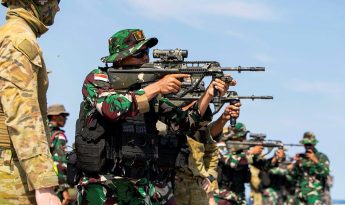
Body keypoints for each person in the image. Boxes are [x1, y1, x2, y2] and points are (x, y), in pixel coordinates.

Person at [75, 28, 232, 205]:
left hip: (140, 186)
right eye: (140, 53)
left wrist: (209, 94)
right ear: (120, 57)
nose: (146, 58)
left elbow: (184, 124)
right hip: (102, 184)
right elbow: (111, 108)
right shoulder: (98, 78)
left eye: (147, 53)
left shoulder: (149, 90)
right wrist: (157, 87)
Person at [0, 0, 61, 204]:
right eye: (56, 1)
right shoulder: (19, 39)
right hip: (12, 170)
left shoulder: (10, 34)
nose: (57, 8)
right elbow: (22, 111)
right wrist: (43, 183)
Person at [174, 100, 241, 205]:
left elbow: (211, 152)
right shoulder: (166, 118)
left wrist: (209, 177)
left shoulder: (199, 126)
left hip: (197, 186)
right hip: (170, 184)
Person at [288, 131, 330, 205]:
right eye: (306, 144)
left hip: (314, 196)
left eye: (310, 144)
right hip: (300, 195)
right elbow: (293, 176)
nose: (308, 146)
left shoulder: (322, 157)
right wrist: (294, 163)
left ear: (314, 144)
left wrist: (315, 160)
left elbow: (325, 173)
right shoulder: (301, 157)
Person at [214, 122, 251, 205]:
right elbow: (232, 163)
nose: (244, 139)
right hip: (223, 196)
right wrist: (250, 153)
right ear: (233, 136)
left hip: (239, 196)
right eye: (242, 136)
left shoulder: (241, 150)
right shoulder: (221, 146)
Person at [47, 104, 74, 205]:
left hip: (42, 181)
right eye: (63, 115)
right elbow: (60, 163)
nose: (65, 118)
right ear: (54, 116)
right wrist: (64, 188)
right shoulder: (58, 135)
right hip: (56, 183)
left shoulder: (42, 132)